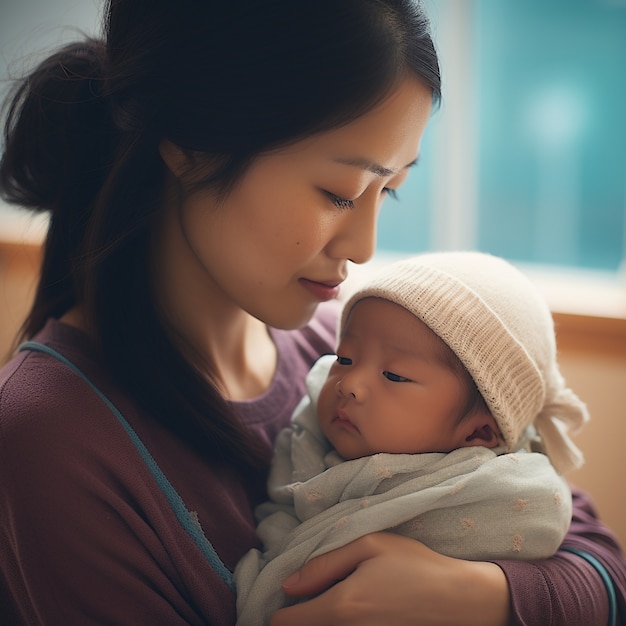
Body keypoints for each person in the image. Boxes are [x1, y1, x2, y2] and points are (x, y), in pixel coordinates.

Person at [0, 0, 624, 624]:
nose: (364, 248)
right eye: (339, 193)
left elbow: (601, 565)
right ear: (193, 141)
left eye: (391, 191)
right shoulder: (52, 441)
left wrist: (478, 595)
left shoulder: (347, 353)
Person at [234, 250, 587, 625]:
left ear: (479, 432)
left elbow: (603, 568)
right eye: (346, 358)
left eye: (395, 376)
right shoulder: (307, 429)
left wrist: (488, 594)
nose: (350, 385)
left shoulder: (503, 489)